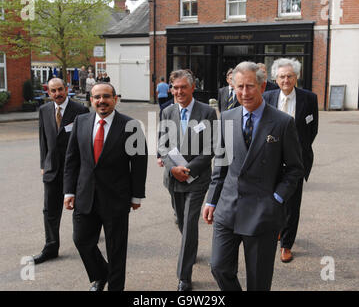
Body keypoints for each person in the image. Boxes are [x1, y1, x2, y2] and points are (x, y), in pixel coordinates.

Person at [203, 61, 304, 291]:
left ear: (262, 86)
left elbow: (295, 168)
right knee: (219, 267)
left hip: (262, 212)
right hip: (228, 208)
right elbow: (221, 164)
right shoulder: (227, 117)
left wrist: (277, 198)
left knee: (258, 281)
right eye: (239, 87)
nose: (244, 93)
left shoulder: (282, 122)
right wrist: (211, 199)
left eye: (250, 86)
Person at [63, 82, 148, 291]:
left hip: (116, 198)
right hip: (85, 196)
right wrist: (69, 191)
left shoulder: (132, 126)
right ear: (91, 100)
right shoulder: (81, 121)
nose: (102, 101)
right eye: (97, 97)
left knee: (116, 250)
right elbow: (72, 160)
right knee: (81, 240)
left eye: (106, 97)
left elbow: (139, 163)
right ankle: (101, 274)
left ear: (115, 99)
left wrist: (136, 196)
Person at [158, 69, 217, 291]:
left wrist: (189, 169)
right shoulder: (167, 112)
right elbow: (162, 145)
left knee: (190, 224)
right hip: (173, 179)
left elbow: (211, 146)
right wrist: (173, 168)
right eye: (175, 87)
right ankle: (190, 248)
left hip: (197, 179)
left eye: (184, 87)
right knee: (181, 222)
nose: (179, 91)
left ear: (193, 87)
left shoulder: (207, 112)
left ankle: (184, 276)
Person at [263, 58, 318, 263]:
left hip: (297, 161)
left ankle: (286, 245)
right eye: (282, 76)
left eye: (290, 76)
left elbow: (312, 130)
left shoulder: (309, 98)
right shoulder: (267, 97)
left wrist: (297, 151)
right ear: (275, 79)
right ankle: (277, 230)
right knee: (273, 200)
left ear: (296, 77)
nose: (286, 79)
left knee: (293, 205)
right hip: (270, 160)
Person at [33, 78, 89, 265]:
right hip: (52, 170)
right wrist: (43, 164)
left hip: (75, 170)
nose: (57, 94)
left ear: (67, 89)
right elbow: (43, 140)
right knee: (50, 210)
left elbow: (85, 142)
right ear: (48, 93)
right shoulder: (44, 111)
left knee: (81, 209)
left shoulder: (80, 111)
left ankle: (86, 241)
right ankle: (51, 246)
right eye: (53, 91)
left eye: (60, 89)